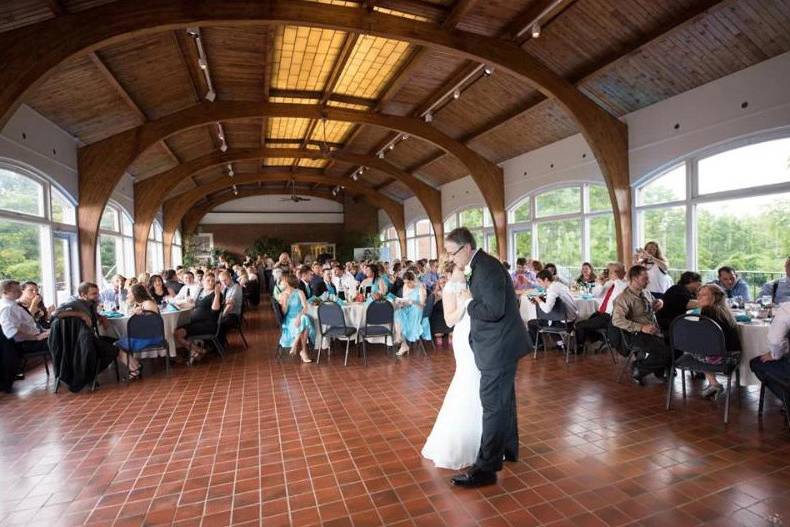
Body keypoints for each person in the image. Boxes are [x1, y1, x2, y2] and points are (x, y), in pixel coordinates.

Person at [443, 227, 530, 488]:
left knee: (492, 405)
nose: (451, 259)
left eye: (453, 253)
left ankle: (486, 469)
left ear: (466, 247)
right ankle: (509, 449)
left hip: (498, 346)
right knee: (504, 400)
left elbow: (493, 310)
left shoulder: (487, 268)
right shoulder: (479, 265)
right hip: (498, 344)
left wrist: (468, 302)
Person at [421, 260, 482, 469]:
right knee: (467, 378)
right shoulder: (449, 289)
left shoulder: (470, 285)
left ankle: (480, 437)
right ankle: (461, 443)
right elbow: (449, 321)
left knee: (478, 381)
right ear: (451, 271)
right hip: (463, 338)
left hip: (477, 335)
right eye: (460, 269)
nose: (464, 271)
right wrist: (465, 304)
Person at [53, 282, 139, 380]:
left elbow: (92, 314)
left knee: (117, 342)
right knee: (114, 348)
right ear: (83, 295)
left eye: (97, 293)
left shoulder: (90, 304)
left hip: (90, 339)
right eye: (93, 294)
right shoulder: (75, 303)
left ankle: (135, 368)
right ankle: (135, 368)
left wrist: (100, 316)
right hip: (80, 344)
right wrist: (81, 315)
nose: (97, 296)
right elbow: (56, 313)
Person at [612, 265, 674, 385]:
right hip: (635, 334)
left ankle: (659, 369)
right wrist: (641, 327)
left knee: (676, 344)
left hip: (652, 330)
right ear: (634, 278)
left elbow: (651, 307)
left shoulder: (645, 292)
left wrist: (660, 302)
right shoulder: (623, 298)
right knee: (666, 352)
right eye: (645, 278)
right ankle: (640, 368)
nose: (648, 281)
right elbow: (617, 320)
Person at [691, 284, 741, 399]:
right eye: (698, 295)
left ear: (715, 297)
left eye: (704, 295)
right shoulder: (725, 311)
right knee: (700, 347)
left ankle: (714, 384)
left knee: (692, 347)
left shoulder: (707, 311)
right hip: (734, 355)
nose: (699, 298)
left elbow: (703, 340)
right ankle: (713, 384)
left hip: (722, 358)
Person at [1, 280, 50, 389]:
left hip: (35, 337)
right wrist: (36, 337)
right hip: (28, 343)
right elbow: (11, 332)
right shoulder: (7, 308)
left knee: (63, 335)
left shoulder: (14, 305)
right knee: (62, 340)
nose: (19, 291)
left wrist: (44, 332)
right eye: (16, 290)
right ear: (5, 291)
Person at [575, 262, 627, 353]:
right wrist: (600, 284)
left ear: (624, 273)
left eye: (615, 271)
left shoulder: (625, 285)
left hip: (609, 317)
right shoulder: (609, 283)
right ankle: (602, 339)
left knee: (580, 325)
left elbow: (620, 289)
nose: (611, 274)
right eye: (611, 271)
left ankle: (580, 348)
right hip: (600, 313)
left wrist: (615, 278)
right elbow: (595, 294)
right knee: (582, 322)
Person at [174, 273, 223, 365]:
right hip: (196, 323)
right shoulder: (201, 291)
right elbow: (194, 305)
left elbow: (215, 309)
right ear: (203, 281)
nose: (210, 282)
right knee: (177, 333)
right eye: (208, 280)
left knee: (178, 334)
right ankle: (198, 351)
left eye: (212, 280)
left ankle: (198, 351)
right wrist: (178, 305)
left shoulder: (216, 294)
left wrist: (217, 294)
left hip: (208, 324)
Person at [750, 300, 790, 405]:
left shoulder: (787, 308)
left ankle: (787, 400)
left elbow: (775, 340)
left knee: (756, 363)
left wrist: (775, 355)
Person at [527, 269, 578, 344]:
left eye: (540, 281)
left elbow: (547, 310)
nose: (539, 284)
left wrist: (538, 300)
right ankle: (560, 344)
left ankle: (540, 345)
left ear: (546, 279)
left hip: (564, 321)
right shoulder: (559, 285)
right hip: (572, 318)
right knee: (549, 320)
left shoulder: (552, 290)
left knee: (532, 323)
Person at [115, 285, 165, 356]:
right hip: (145, 337)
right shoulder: (141, 305)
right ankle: (134, 365)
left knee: (116, 345)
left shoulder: (148, 304)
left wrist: (139, 316)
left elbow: (152, 325)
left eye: (129, 293)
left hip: (152, 338)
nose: (127, 296)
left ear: (135, 293)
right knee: (118, 343)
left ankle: (134, 365)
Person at [278, 274, 314, 363]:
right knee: (305, 323)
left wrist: (299, 316)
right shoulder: (282, 295)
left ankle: (294, 345)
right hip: (289, 320)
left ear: (288, 282)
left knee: (304, 318)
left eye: (283, 281)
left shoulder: (299, 292)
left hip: (300, 316)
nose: (281, 283)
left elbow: (305, 307)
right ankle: (303, 351)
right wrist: (285, 301)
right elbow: (284, 313)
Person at [395, 271, 427, 357]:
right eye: (405, 283)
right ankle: (401, 340)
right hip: (408, 308)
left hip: (417, 310)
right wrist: (402, 303)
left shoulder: (420, 288)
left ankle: (402, 343)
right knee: (397, 312)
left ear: (413, 280)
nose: (407, 284)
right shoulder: (405, 286)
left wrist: (413, 301)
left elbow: (422, 305)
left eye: (409, 282)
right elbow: (406, 300)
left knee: (401, 318)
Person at [218, 270, 243, 343]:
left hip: (233, 315)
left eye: (225, 280)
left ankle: (220, 344)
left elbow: (230, 305)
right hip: (225, 312)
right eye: (222, 281)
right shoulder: (224, 288)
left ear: (230, 278)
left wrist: (221, 316)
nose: (224, 282)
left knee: (219, 323)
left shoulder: (236, 287)